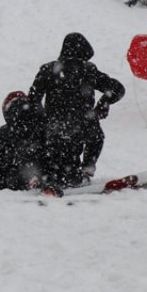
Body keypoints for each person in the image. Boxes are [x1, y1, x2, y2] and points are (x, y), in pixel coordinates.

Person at [28, 33, 125, 189]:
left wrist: (42, 119)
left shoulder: (49, 69)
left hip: (53, 128)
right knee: (96, 137)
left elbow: (33, 99)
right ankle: (85, 172)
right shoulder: (89, 69)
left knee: (54, 159)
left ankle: (42, 175)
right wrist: (102, 105)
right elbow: (118, 89)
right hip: (83, 126)